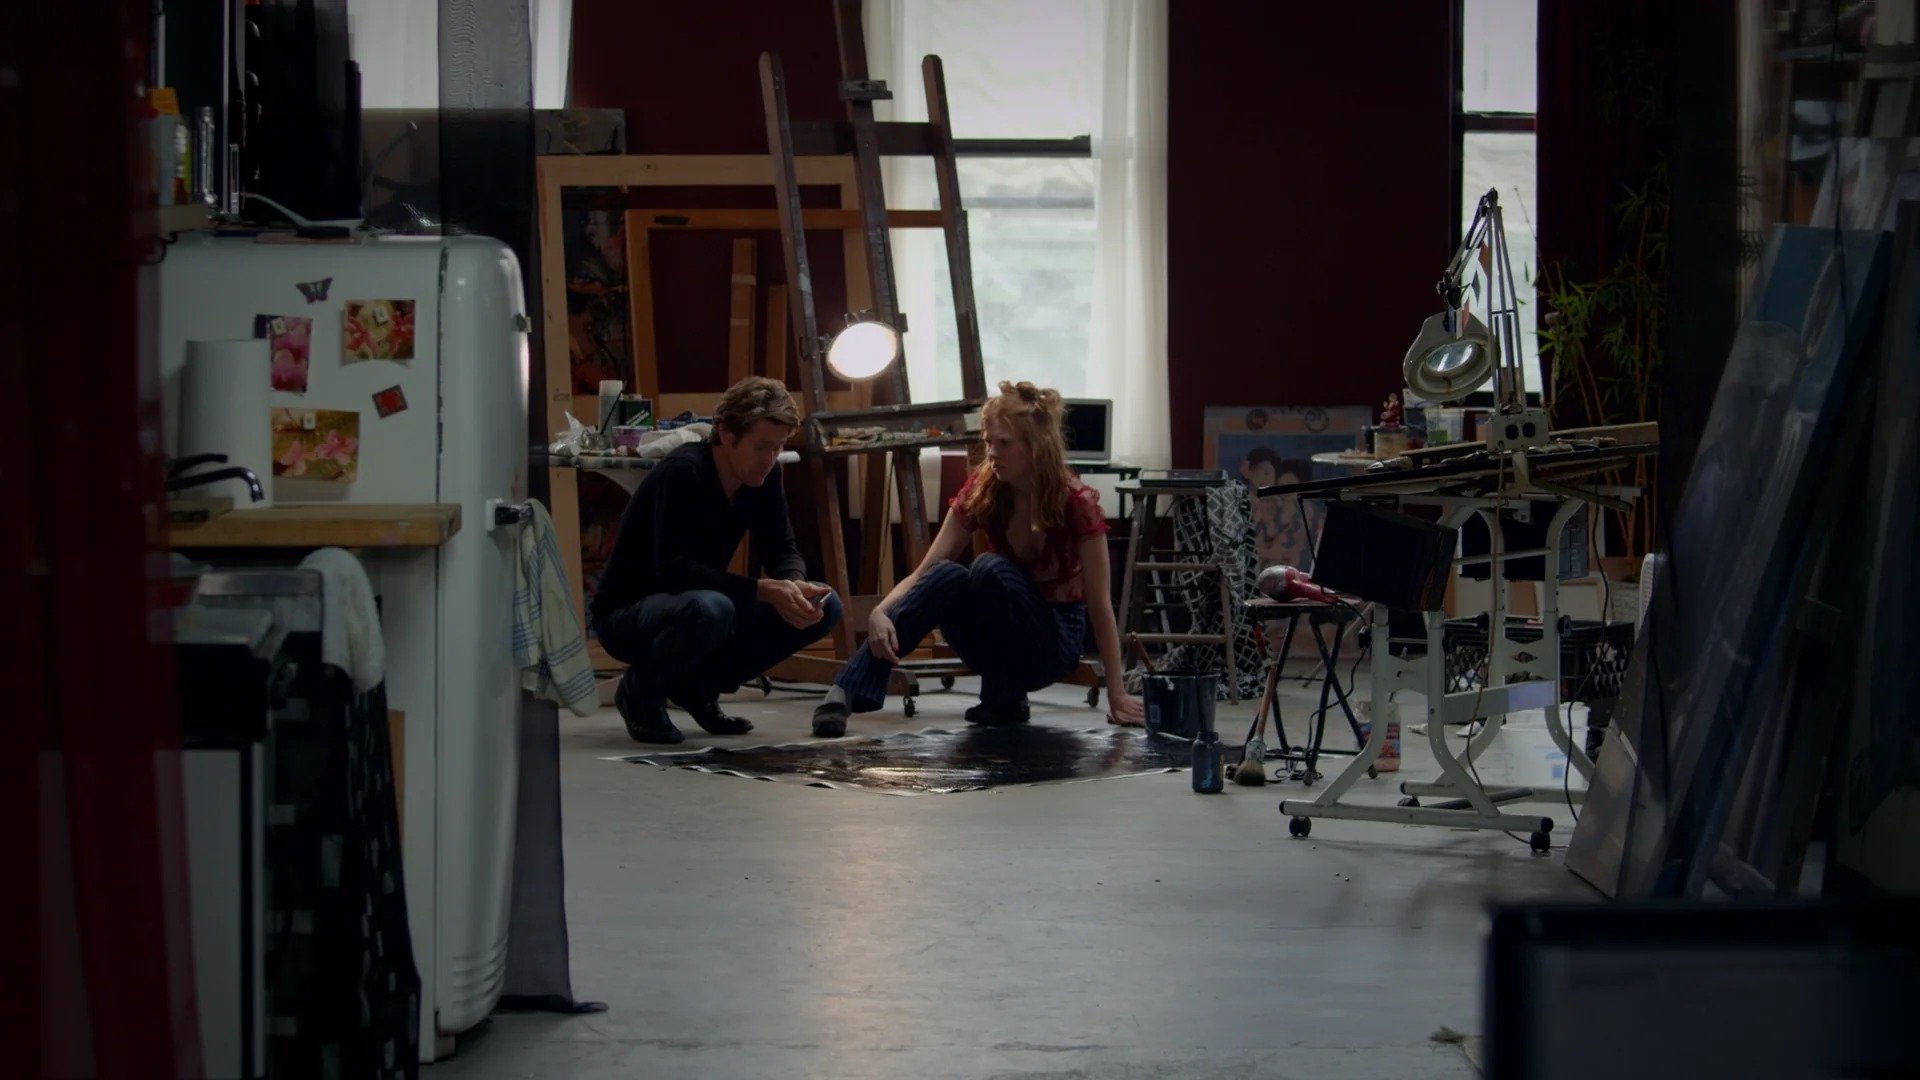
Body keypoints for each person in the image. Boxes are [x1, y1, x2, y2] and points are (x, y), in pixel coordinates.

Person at [809, 381, 1146, 737]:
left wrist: (1117, 693)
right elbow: (924, 572)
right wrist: (880, 611)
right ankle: (845, 691)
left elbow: (1100, 604)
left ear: (1036, 445)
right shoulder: (985, 489)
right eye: (988, 442)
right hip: (993, 644)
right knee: (947, 574)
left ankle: (1003, 698)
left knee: (988, 567)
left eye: (1004, 443)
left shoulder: (1076, 502)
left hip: (1051, 644)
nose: (992, 453)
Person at [591, 376, 841, 744]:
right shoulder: (684, 471)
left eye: (777, 448)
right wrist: (763, 590)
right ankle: (639, 692)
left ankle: (698, 688)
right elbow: (673, 571)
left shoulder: (764, 475)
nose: (769, 460)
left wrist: (794, 584)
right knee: (713, 609)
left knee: (826, 605)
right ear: (725, 433)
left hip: (696, 602)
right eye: (761, 447)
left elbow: (782, 547)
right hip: (629, 613)